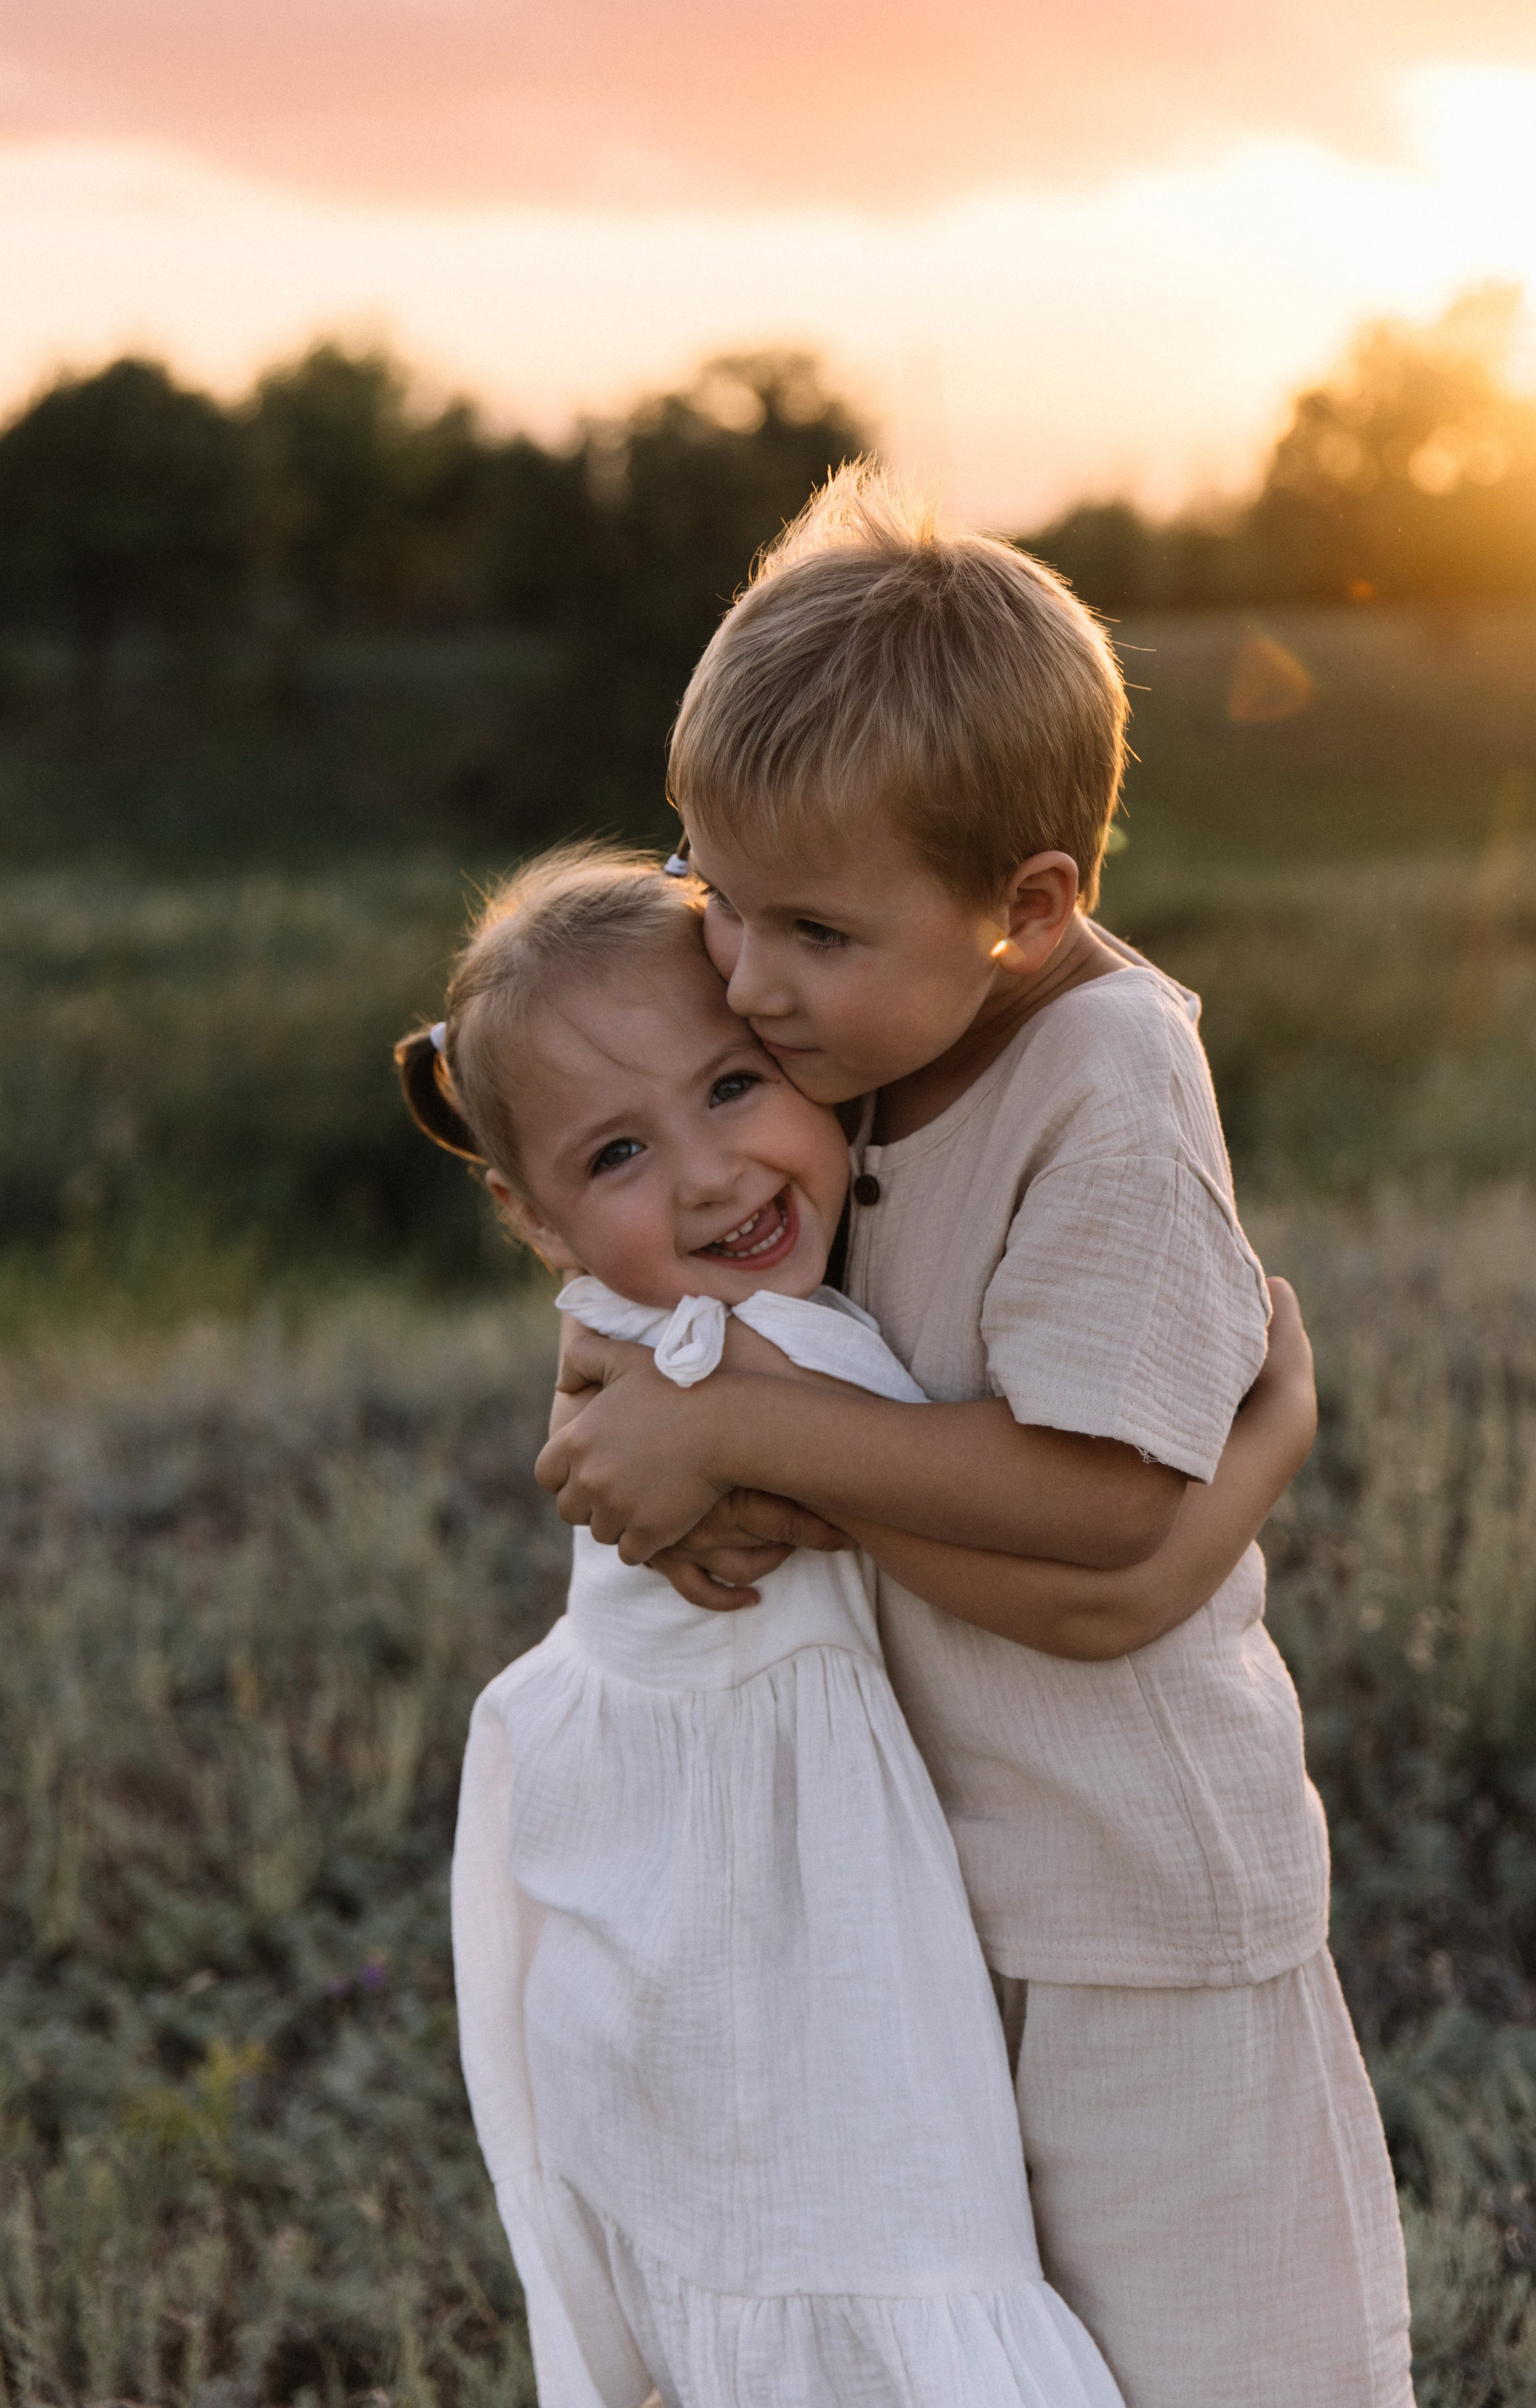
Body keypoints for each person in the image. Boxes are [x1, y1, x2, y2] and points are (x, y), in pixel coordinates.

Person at [541, 468, 1416, 2408]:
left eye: (809, 930)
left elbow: (1101, 1514)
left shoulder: (1107, 1091)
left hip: (1139, 1908)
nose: (744, 979)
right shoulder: (865, 1021)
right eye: (713, 893)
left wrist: (744, 1433)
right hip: (919, 1897)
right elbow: (641, 1303)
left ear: (1026, 909)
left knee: (1229, 2374)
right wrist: (655, 1402)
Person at [397, 848, 1316, 2408]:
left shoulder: (644, 1347)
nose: (708, 1175)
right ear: (530, 1214)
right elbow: (1097, 1580)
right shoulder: (770, 1374)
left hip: (677, 1978)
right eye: (618, 1152)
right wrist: (1276, 1433)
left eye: (734, 1085)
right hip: (793, 2007)